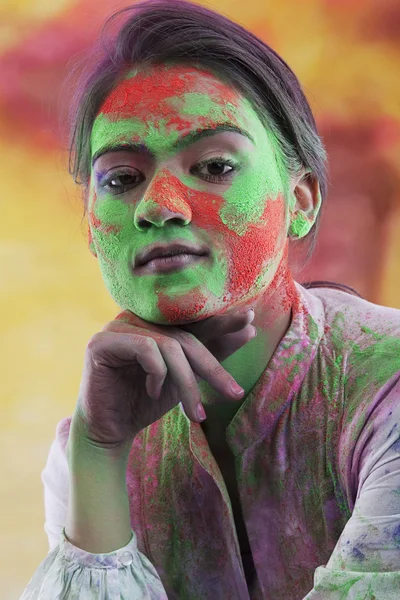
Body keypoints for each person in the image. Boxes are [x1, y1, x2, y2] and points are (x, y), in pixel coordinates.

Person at [20, 1, 400, 598]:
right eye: (121, 179)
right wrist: (99, 452)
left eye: (215, 165)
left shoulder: (388, 386)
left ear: (300, 201)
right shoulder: (85, 451)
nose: (158, 205)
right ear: (93, 230)